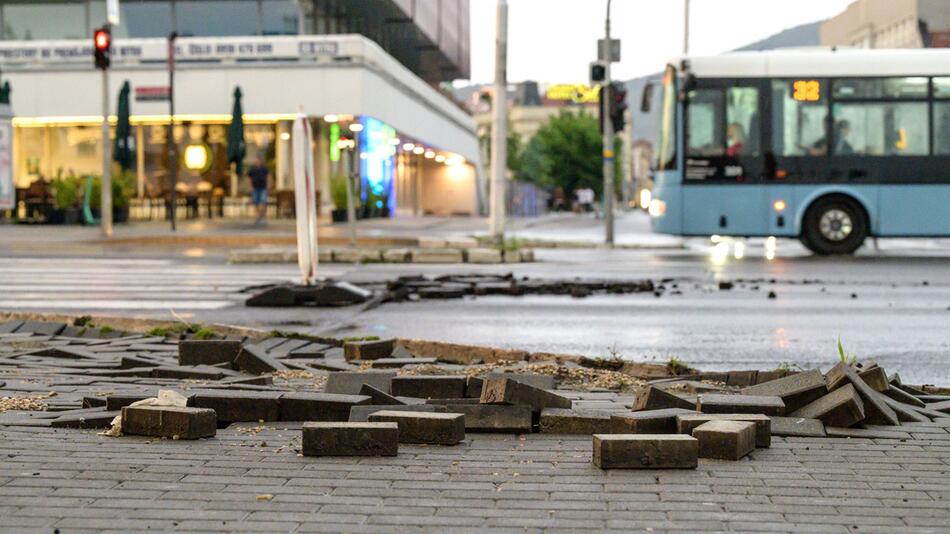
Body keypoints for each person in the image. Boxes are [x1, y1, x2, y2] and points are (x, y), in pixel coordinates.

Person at [247, 158, 269, 225]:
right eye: (256, 161)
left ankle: (261, 216)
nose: (257, 162)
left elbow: (268, 177)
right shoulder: (252, 170)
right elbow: (249, 179)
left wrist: (268, 185)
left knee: (263, 202)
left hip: (263, 188)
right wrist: (250, 186)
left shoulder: (264, 169)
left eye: (258, 161)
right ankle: (258, 216)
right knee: (256, 202)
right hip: (255, 188)